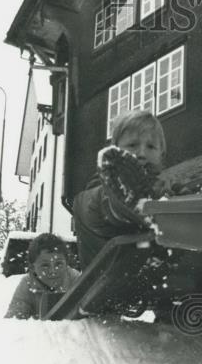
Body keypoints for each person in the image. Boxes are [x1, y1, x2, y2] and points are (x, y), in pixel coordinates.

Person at [72, 109, 169, 268]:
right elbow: (101, 205)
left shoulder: (164, 187)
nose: (142, 153)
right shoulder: (101, 186)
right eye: (132, 145)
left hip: (150, 274)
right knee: (97, 203)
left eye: (151, 146)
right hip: (104, 278)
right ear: (115, 148)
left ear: (161, 154)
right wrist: (125, 199)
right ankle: (134, 206)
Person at [5, 233, 81, 320]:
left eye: (59, 264)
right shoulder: (27, 285)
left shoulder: (77, 281)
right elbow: (14, 321)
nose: (53, 271)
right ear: (33, 267)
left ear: (67, 263)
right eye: (45, 265)